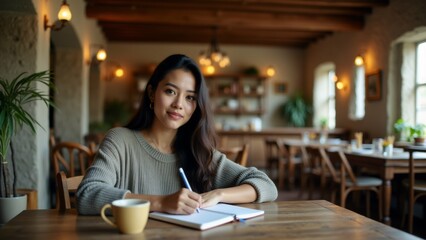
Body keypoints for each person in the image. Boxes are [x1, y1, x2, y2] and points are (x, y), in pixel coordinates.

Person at [77, 54, 277, 215]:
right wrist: (161, 202)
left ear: (196, 106)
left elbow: (266, 185)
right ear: (151, 93)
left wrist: (218, 194)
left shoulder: (198, 152)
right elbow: (87, 195)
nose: (179, 104)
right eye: (170, 91)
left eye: (190, 97)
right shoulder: (120, 140)